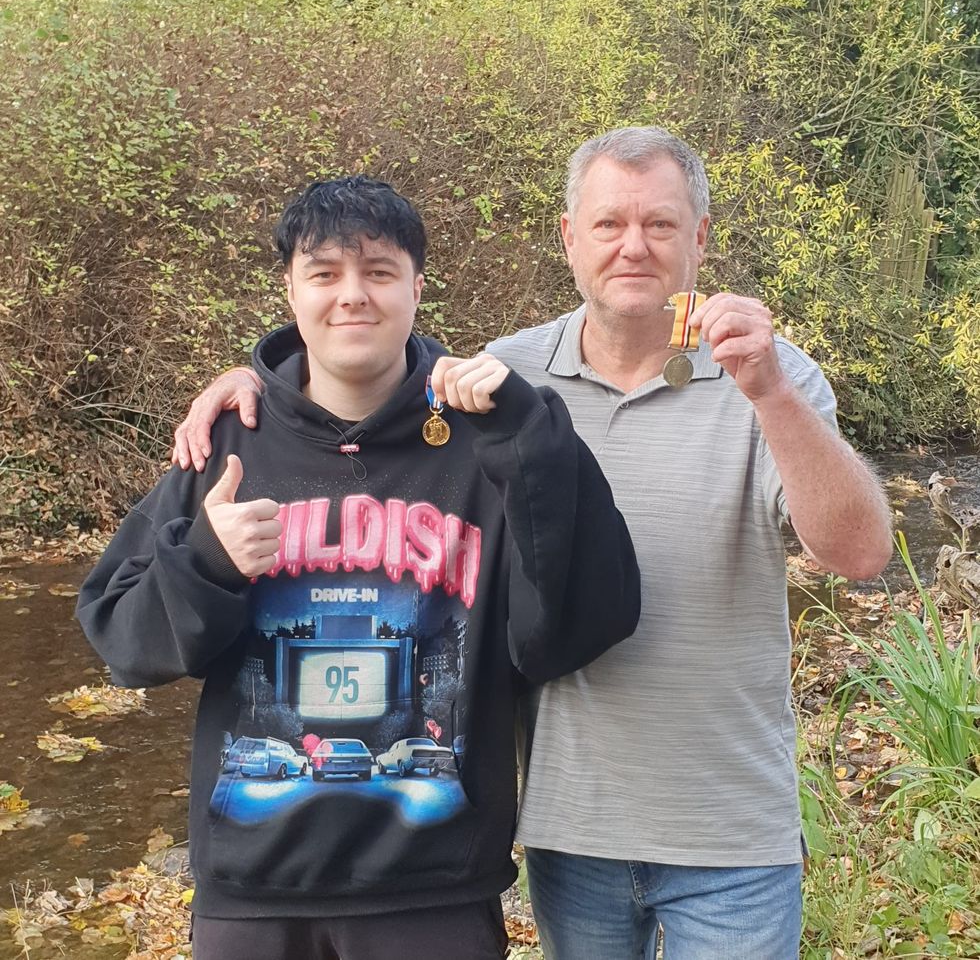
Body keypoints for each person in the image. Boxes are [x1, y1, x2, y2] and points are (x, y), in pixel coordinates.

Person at [172, 129, 893, 959]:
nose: (633, 246)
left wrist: (768, 393)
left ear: (699, 238)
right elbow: (361, 369)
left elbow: (860, 554)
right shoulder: (505, 378)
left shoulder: (773, 375)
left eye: (660, 225)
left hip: (730, 828)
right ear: (568, 238)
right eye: (608, 224)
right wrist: (252, 386)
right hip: (568, 824)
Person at [78, 175, 640, 960]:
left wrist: (538, 450)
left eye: (378, 272)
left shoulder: (494, 437)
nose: (353, 296)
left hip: (435, 893)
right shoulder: (227, 441)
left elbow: (577, 629)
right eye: (325, 273)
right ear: (290, 289)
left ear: (417, 286)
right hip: (251, 898)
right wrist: (205, 562)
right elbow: (122, 642)